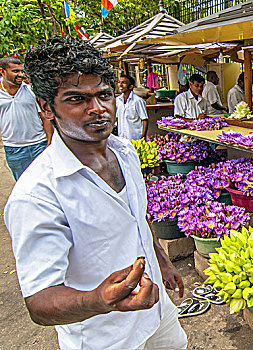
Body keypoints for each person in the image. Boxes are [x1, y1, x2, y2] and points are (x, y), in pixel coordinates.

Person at [4, 37, 187, 349]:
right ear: (47, 108)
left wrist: (162, 261)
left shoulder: (125, 152)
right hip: (105, 336)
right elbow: (39, 301)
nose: (98, 109)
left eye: (104, 95)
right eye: (77, 100)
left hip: (157, 314)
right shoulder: (37, 194)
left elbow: (137, 218)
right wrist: (100, 299)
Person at [0, 57, 52, 180]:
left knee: (47, 181)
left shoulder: (31, 90)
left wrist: (49, 141)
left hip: (39, 144)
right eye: (16, 71)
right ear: (2, 71)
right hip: (14, 149)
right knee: (24, 184)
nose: (21, 75)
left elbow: (45, 117)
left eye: (22, 71)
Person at [116, 74, 148, 140]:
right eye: (119, 82)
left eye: (123, 83)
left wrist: (142, 137)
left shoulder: (137, 101)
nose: (120, 85)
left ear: (130, 86)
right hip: (121, 138)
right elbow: (117, 118)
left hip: (135, 138)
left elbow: (144, 120)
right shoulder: (117, 100)